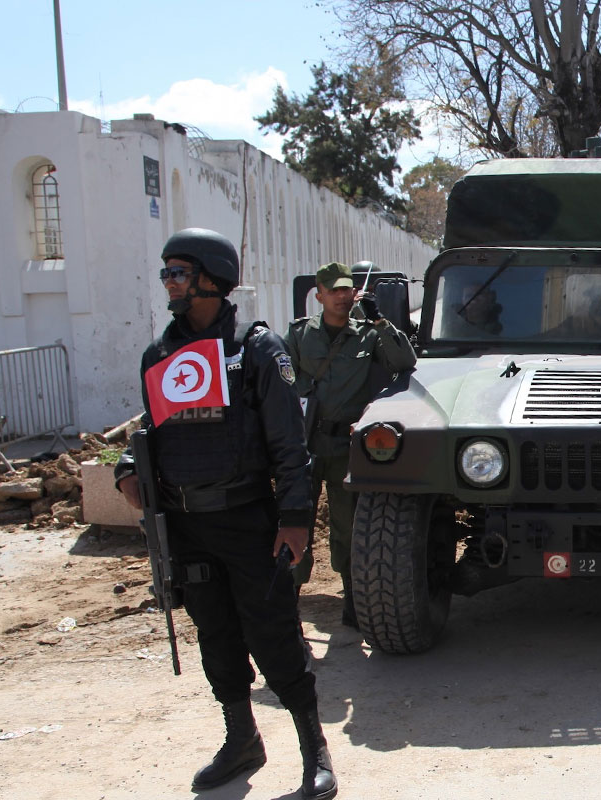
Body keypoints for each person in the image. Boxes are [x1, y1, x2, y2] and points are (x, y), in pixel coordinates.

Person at [114, 228, 337, 798]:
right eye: (166, 272)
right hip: (187, 524)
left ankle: (315, 749)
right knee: (214, 633)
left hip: (248, 521)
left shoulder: (257, 351)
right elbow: (152, 429)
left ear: (212, 278)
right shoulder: (160, 355)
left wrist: (294, 520)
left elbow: (291, 445)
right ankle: (241, 740)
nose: (169, 282)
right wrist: (125, 467)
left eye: (178, 273)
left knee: (275, 635)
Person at [286, 261, 417, 628]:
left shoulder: (367, 334)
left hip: (345, 443)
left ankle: (353, 598)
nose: (342, 297)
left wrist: (379, 320)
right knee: (296, 519)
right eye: (335, 291)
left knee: (348, 525)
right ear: (320, 295)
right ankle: (289, 596)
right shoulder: (300, 335)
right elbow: (282, 377)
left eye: (347, 290)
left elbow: (405, 361)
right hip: (306, 443)